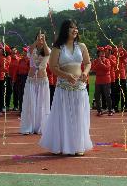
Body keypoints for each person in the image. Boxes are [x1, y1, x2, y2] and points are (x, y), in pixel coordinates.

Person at [40, 19, 93, 155]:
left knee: (79, 116)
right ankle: (64, 145)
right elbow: (53, 67)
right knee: (64, 116)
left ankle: (77, 146)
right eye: (71, 28)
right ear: (65, 30)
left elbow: (87, 63)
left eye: (76, 28)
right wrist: (66, 75)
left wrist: (85, 73)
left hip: (79, 87)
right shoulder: (58, 48)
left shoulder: (82, 46)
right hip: (64, 87)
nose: (75, 30)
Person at [20, 31, 51, 134]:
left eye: (43, 37)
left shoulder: (47, 49)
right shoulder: (32, 49)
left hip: (42, 79)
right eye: (39, 37)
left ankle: (41, 126)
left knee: (42, 103)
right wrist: (36, 41)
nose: (41, 39)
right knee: (30, 102)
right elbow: (30, 49)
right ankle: (29, 127)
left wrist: (44, 41)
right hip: (32, 79)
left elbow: (47, 53)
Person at [92, 47, 113, 115]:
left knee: (107, 95)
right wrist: (99, 63)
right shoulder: (95, 61)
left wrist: (101, 64)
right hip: (98, 80)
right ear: (98, 53)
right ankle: (99, 110)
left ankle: (110, 110)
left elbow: (108, 68)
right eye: (101, 52)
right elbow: (94, 69)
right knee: (97, 96)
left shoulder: (107, 60)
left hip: (106, 80)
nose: (103, 54)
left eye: (103, 52)